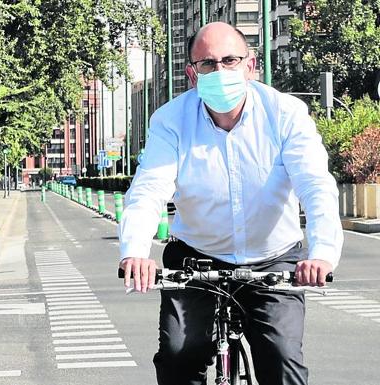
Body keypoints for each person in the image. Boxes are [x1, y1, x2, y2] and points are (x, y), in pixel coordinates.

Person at [118, 22, 343, 385]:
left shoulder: (286, 114)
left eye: (230, 60)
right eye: (207, 64)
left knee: (284, 361)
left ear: (250, 66)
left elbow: (315, 185)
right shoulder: (171, 121)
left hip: (273, 260)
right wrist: (135, 252)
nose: (220, 71)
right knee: (178, 357)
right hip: (197, 260)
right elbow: (148, 190)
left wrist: (322, 254)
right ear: (192, 74)